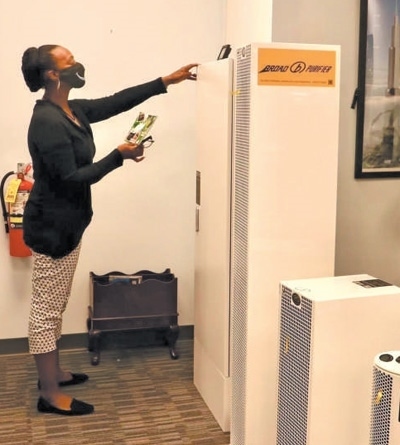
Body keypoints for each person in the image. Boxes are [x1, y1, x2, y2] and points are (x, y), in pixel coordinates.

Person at [21, 44, 197, 416]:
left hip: (68, 225)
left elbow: (116, 102)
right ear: (52, 74)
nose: (77, 64)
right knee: (46, 312)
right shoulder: (48, 121)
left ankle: (54, 374)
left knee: (55, 304)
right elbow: (72, 178)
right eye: (69, 61)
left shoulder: (71, 110)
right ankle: (49, 394)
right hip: (52, 230)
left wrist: (166, 81)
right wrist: (119, 156)